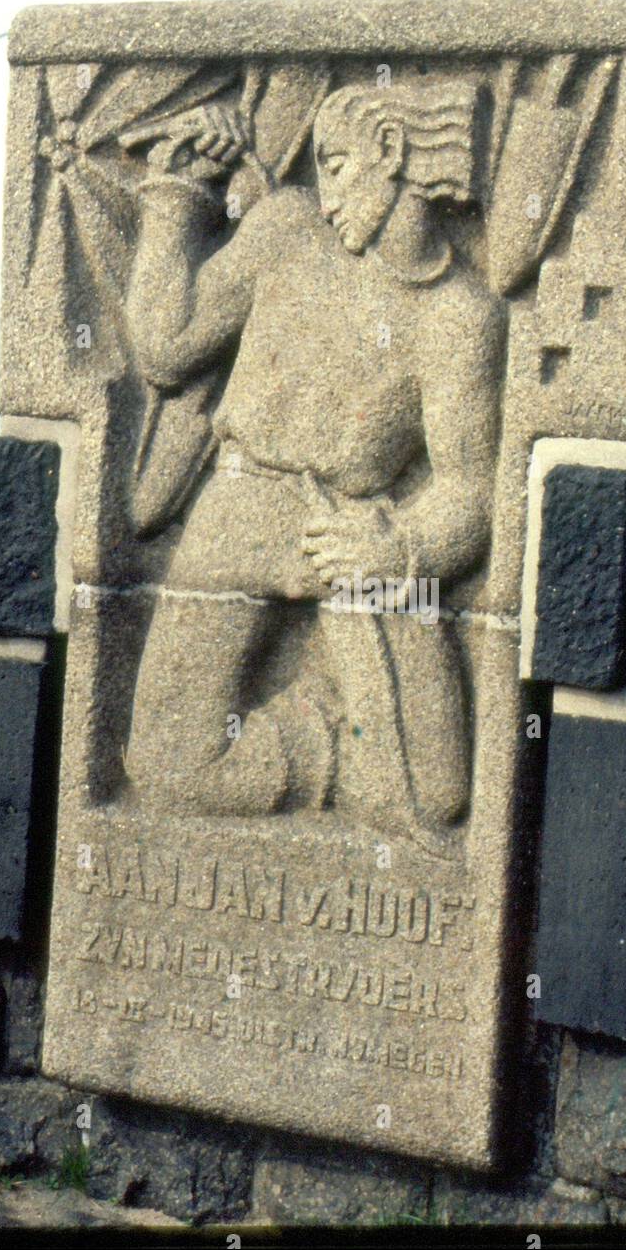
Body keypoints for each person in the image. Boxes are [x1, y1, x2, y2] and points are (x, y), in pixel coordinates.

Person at [122, 81, 505, 838]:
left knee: (433, 797)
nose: (324, 194)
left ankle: (356, 733)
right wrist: (178, 187)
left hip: (351, 535)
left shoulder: (459, 316)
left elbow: (470, 490)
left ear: (391, 155)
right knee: (168, 764)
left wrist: (400, 548)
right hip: (236, 509)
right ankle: (323, 733)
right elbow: (166, 348)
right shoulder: (289, 227)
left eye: (336, 165)